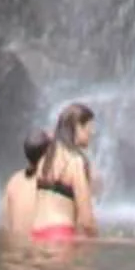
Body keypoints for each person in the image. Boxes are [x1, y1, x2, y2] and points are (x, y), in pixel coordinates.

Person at [31, 102, 99, 244]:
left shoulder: (45, 159)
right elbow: (86, 219)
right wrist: (95, 238)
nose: (92, 133)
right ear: (78, 127)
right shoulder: (74, 161)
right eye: (89, 128)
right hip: (60, 234)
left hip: (37, 234)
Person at [3, 131, 51, 239]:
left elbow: (6, 225)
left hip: (16, 244)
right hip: (41, 244)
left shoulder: (13, 181)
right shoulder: (49, 182)